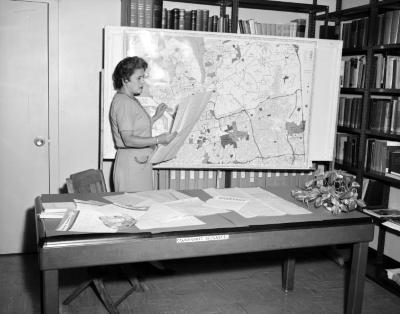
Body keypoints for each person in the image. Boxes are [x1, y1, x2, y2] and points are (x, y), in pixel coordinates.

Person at [110, 56, 177, 192]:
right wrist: (159, 140)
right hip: (131, 166)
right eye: (139, 78)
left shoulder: (130, 99)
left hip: (138, 162)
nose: (143, 82)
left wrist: (155, 117)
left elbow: (135, 128)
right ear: (125, 80)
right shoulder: (124, 103)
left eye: (143, 78)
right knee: (135, 207)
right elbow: (128, 139)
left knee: (144, 204)